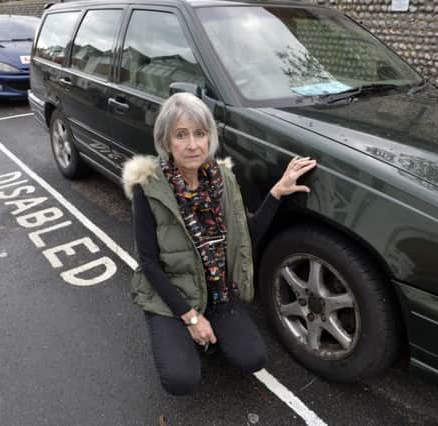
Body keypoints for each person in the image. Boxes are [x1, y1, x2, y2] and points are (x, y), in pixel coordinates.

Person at [122, 92, 317, 395]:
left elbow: (246, 235)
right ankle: (179, 330)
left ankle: (209, 328)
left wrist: (277, 192)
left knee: (253, 358)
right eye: (181, 135)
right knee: (181, 379)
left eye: (200, 134)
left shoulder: (222, 180)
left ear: (209, 137)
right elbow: (148, 262)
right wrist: (190, 317)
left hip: (217, 293)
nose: (192, 145)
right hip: (172, 295)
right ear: (166, 141)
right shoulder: (149, 189)